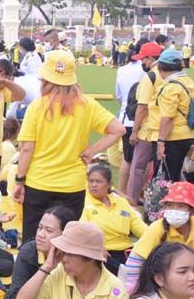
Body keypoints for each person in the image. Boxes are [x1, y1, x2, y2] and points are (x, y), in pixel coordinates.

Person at [12, 51, 125, 242]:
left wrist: (19, 180)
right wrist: (92, 151)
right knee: (66, 243)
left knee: (34, 242)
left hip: (39, 183)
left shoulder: (37, 107)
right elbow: (117, 130)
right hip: (72, 186)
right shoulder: (87, 104)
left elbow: (26, 148)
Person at [122, 181, 194, 290]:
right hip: (161, 285)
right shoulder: (157, 228)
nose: (174, 211)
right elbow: (135, 260)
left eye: (180, 206)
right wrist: (132, 287)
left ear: (191, 211)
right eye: (170, 206)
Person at [1, 205, 75, 299]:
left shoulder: (74, 258)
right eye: (40, 228)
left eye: (49, 230)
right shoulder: (28, 252)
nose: (41, 234)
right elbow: (16, 296)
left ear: (65, 235)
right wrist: (46, 268)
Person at [80, 162, 145, 273]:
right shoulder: (83, 201)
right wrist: (96, 246)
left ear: (109, 184)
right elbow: (83, 230)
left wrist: (154, 236)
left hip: (126, 251)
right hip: (101, 252)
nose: (94, 185)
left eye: (98, 181)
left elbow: (139, 227)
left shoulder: (121, 202)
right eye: (91, 181)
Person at [124, 42, 164, 204]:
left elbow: (142, 107)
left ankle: (131, 200)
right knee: (167, 167)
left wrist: (134, 132)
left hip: (149, 129)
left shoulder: (150, 77)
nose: (142, 62)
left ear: (150, 58)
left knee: (138, 167)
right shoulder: (172, 76)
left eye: (144, 59)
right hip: (169, 129)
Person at [153, 48, 194, 180]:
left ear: (161, 67)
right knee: (175, 176)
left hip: (172, 137)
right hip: (187, 135)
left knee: (164, 179)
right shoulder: (187, 81)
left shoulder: (170, 87)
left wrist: (161, 142)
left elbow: (168, 117)